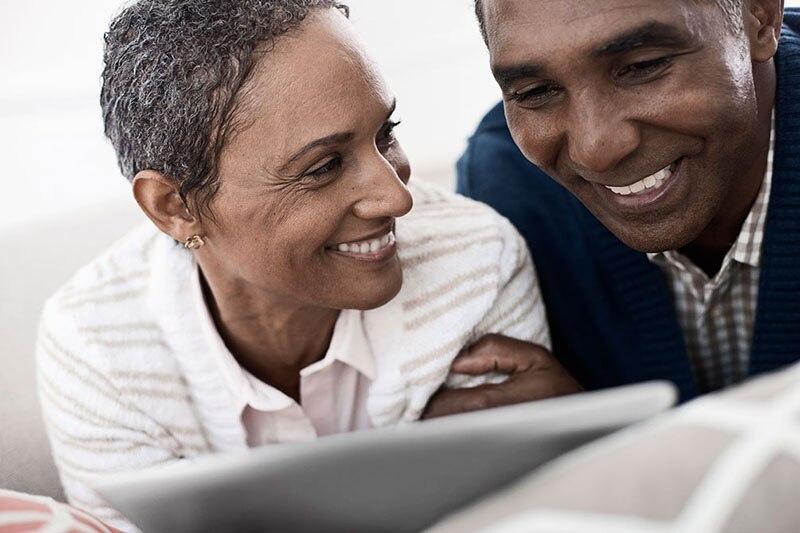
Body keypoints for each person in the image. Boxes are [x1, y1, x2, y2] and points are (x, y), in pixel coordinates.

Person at [35, 1, 564, 530]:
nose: (396, 198)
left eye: (386, 133)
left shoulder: (474, 258)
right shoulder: (96, 346)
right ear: (174, 206)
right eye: (324, 166)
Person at [458, 0, 800, 403]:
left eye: (642, 66)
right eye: (536, 92)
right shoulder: (507, 191)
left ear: (760, 17)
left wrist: (609, 439)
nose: (595, 150)